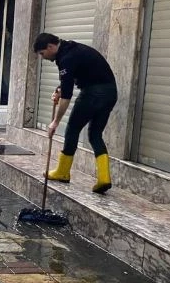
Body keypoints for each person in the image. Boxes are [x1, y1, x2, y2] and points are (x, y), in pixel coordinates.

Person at [34, 32, 117, 194]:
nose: (43, 57)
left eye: (42, 53)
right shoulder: (71, 49)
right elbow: (70, 80)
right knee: (95, 135)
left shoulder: (66, 58)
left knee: (72, 129)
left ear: (50, 47)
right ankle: (104, 178)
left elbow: (67, 96)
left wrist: (55, 122)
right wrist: (59, 89)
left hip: (93, 93)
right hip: (110, 93)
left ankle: (63, 172)